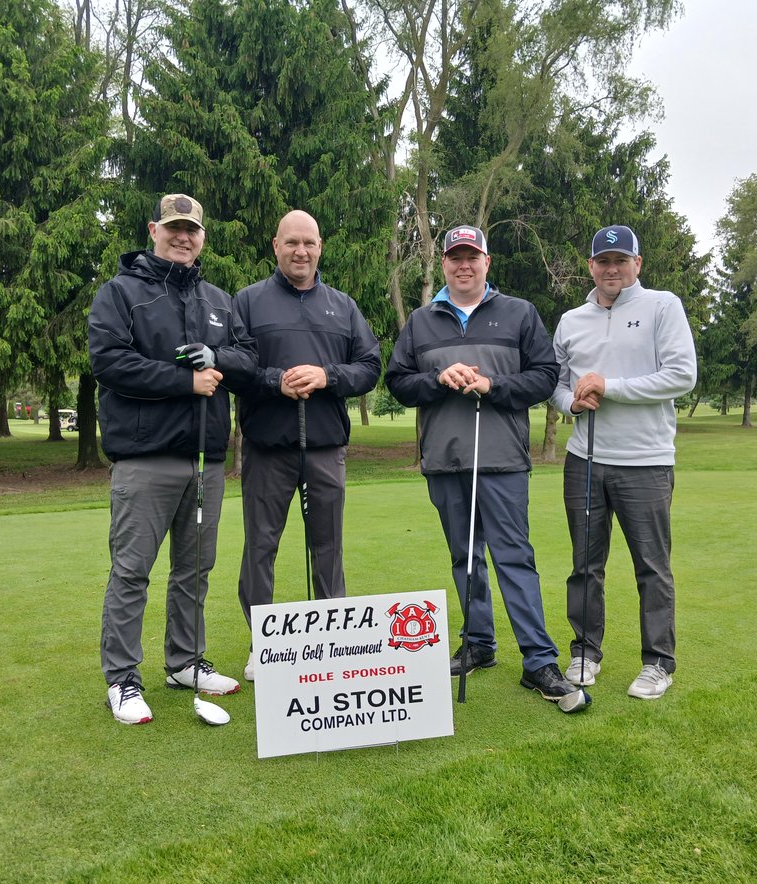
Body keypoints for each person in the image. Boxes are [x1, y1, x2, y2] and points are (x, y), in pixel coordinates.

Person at [385, 225, 587, 711]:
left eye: (471, 257)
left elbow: (544, 377)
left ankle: (538, 661)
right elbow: (398, 381)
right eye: (454, 257)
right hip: (445, 459)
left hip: (502, 460)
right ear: (444, 264)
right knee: (465, 558)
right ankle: (479, 643)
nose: (463, 265)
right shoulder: (421, 321)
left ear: (486, 262)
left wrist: (493, 386)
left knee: (513, 558)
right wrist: (438, 378)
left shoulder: (518, 313)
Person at [88, 192, 257, 725]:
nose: (183, 237)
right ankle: (123, 678)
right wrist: (185, 381)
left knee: (194, 569)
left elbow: (249, 358)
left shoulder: (218, 301)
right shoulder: (121, 293)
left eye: (192, 230)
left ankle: (185, 662)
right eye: (173, 228)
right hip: (145, 457)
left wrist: (219, 357)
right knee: (132, 571)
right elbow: (110, 362)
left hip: (206, 460)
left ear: (202, 237)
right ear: (153, 230)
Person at [233, 210, 381, 680]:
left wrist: (326, 376)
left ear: (320, 248)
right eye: (292, 242)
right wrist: (275, 381)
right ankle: (263, 644)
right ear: (276, 245)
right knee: (261, 546)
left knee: (328, 546)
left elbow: (369, 367)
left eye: (309, 243)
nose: (301, 251)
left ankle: (332, 641)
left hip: (324, 446)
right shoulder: (248, 301)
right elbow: (235, 368)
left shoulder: (343, 306)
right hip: (267, 447)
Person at [552, 225, 697, 701]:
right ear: (591, 266)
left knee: (651, 567)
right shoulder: (571, 319)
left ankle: (658, 663)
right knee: (585, 566)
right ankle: (585, 652)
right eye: (603, 261)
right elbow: (555, 383)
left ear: (637, 263)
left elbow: (681, 375)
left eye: (620, 260)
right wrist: (571, 404)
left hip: (645, 461)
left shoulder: (662, 306)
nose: (611, 269)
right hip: (585, 459)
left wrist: (608, 387)